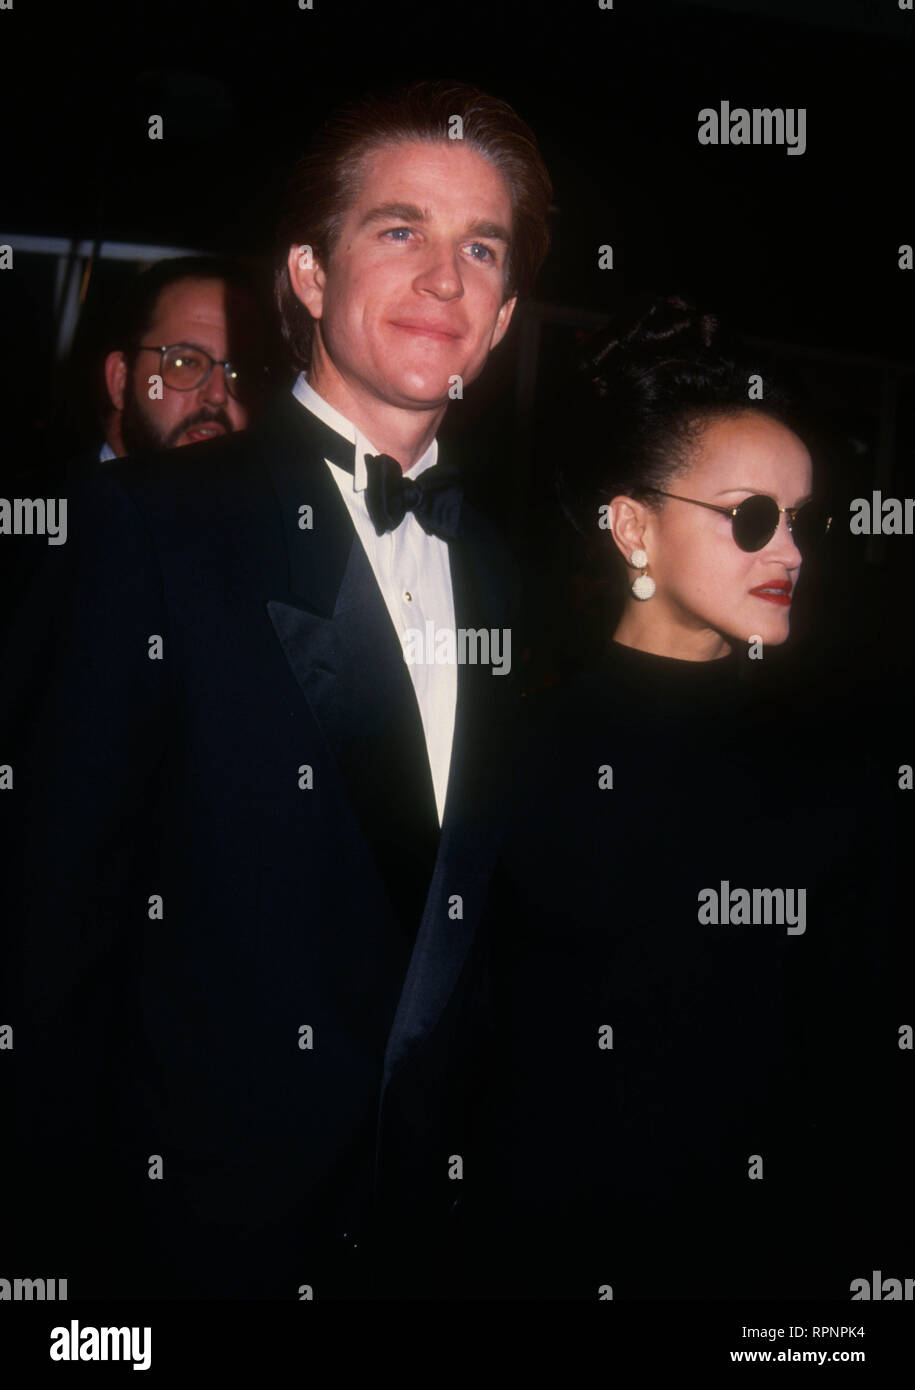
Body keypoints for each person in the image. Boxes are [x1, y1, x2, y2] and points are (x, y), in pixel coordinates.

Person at [1, 80, 551, 1300]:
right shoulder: (146, 527)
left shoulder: (513, 583)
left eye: (481, 249)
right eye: (399, 229)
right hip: (178, 1246)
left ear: (506, 316)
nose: (446, 279)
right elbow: (48, 936)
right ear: (308, 277)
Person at [461, 297, 900, 1300]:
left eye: (799, 521)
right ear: (633, 526)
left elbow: (859, 1081)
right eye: (751, 516)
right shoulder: (498, 754)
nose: (789, 551)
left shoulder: (843, 773)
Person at [95, 255, 270, 464]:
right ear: (120, 381)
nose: (217, 395)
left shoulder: (269, 493)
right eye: (186, 363)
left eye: (237, 373)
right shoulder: (60, 497)